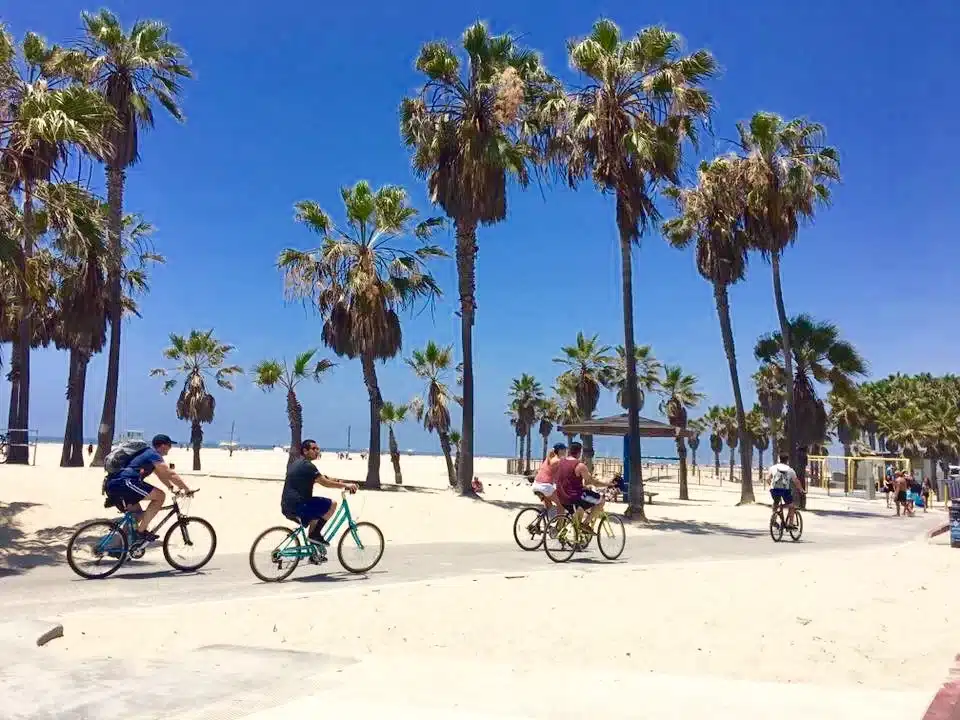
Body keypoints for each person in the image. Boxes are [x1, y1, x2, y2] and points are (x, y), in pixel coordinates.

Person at [104, 434, 192, 542]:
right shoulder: (153, 454)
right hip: (125, 482)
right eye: (169, 445)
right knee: (160, 496)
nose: (170, 448)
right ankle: (141, 532)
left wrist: (171, 487)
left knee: (137, 516)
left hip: (115, 483)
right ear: (163, 446)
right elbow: (170, 474)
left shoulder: (148, 455)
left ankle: (120, 547)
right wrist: (186, 489)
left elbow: (161, 475)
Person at [281, 439, 357, 550]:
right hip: (299, 506)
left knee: (316, 513)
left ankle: (314, 552)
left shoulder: (297, 463)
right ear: (305, 451)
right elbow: (324, 482)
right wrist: (346, 486)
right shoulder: (308, 466)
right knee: (332, 504)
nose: (317, 451)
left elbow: (321, 478)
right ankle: (314, 535)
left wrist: (339, 481)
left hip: (287, 506)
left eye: (318, 449)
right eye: (314, 449)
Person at [553, 441, 618, 533]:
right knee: (601, 501)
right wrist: (608, 484)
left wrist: (582, 486)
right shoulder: (580, 465)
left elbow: (565, 479)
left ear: (569, 451)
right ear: (580, 452)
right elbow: (592, 482)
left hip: (561, 496)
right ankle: (585, 524)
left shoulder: (561, 462)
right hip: (574, 497)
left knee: (582, 507)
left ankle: (576, 535)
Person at [767, 454, 802, 529]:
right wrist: (801, 489)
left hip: (774, 490)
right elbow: (796, 481)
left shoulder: (773, 467)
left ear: (779, 459)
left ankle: (773, 518)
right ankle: (791, 524)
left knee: (776, 502)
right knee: (792, 506)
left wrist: (771, 486)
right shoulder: (790, 470)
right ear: (787, 460)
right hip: (785, 490)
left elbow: (768, 479)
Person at [531, 443, 566, 518]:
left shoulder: (548, 458)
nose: (566, 451)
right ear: (559, 451)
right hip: (545, 486)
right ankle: (559, 528)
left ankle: (542, 521)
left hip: (535, 485)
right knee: (561, 505)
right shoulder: (559, 461)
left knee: (549, 505)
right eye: (564, 449)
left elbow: (555, 476)